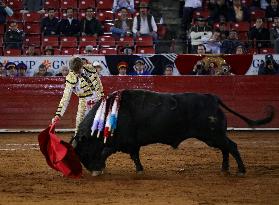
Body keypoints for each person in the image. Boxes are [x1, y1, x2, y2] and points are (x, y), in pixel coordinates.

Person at [52, 57, 104, 133]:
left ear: (82, 66)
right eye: (75, 71)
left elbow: (98, 83)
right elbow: (65, 98)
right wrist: (58, 114)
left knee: (100, 126)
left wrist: (101, 97)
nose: (77, 73)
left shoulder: (90, 68)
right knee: (79, 128)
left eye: (78, 70)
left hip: (98, 101)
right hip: (84, 103)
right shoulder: (70, 78)